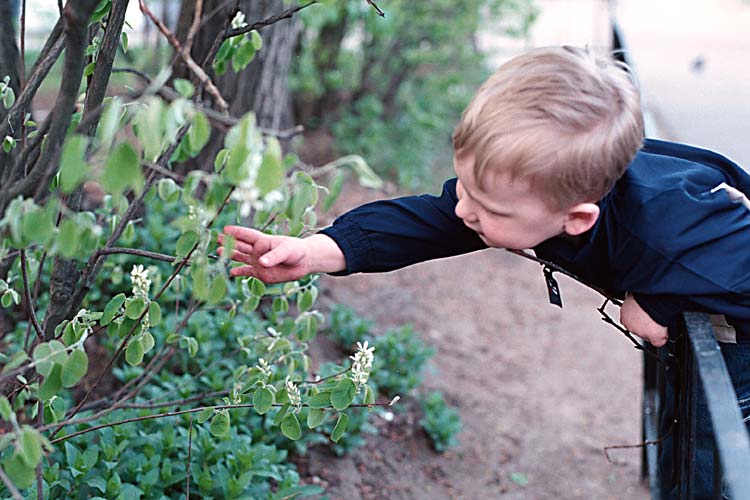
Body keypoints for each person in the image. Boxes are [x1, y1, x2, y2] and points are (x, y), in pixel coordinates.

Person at [217, 46, 750, 498]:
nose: (465, 211)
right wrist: (316, 251)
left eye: (489, 208)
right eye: (464, 187)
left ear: (576, 217)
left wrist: (658, 302)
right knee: (682, 440)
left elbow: (737, 252)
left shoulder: (659, 226)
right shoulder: (531, 191)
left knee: (715, 461)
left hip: (741, 338)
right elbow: (429, 222)